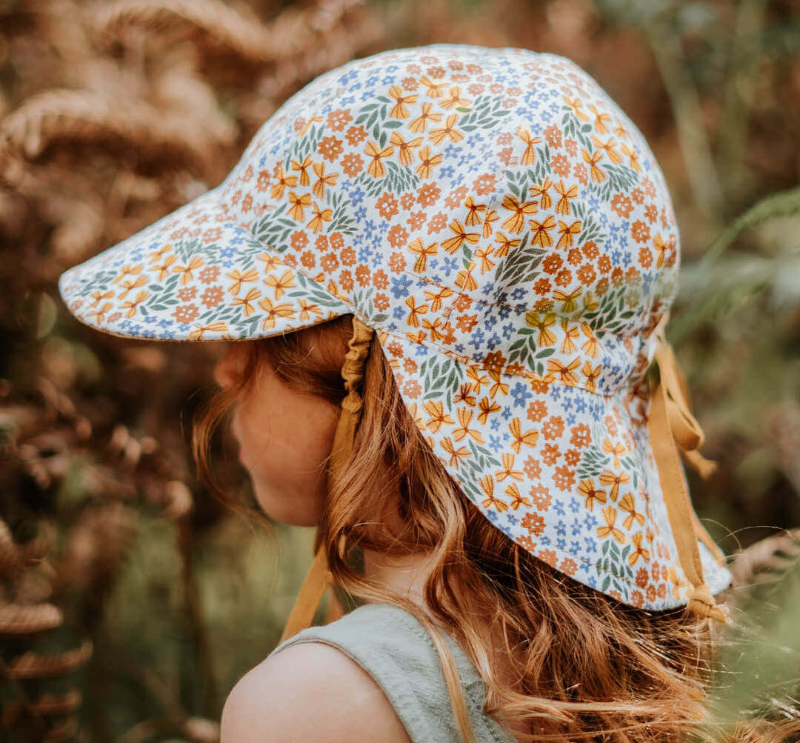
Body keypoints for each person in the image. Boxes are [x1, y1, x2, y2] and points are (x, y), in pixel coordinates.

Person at [59, 44, 773, 742]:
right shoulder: (669, 655)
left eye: (260, 328)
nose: (224, 367)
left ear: (369, 365)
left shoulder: (315, 709)